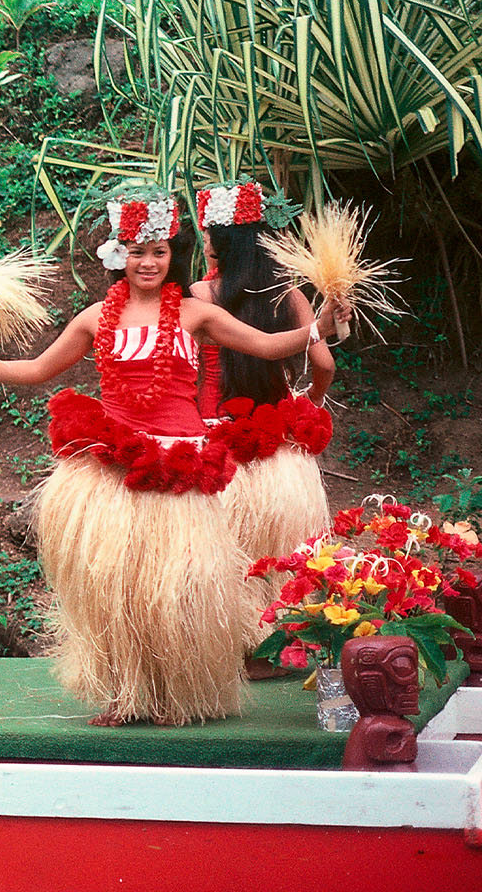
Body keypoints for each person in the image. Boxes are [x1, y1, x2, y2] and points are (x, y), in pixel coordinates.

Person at [0, 192, 340, 726]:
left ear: (173, 254)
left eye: (158, 252)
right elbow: (37, 370)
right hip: (116, 468)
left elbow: (267, 347)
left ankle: (178, 693)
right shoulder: (92, 319)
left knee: (176, 589)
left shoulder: (198, 313)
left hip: (179, 466)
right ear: (116, 255)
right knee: (118, 588)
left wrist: (321, 325)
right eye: (135, 252)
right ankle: (125, 693)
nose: (147, 263)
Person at [190, 181, 336, 677]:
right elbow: (326, 364)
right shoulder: (288, 294)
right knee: (276, 549)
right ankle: (275, 648)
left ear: (223, 241)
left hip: (217, 437)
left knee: (226, 551)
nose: (204, 241)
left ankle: (235, 650)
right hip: (276, 446)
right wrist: (307, 406)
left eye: (209, 232)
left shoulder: (201, 295)